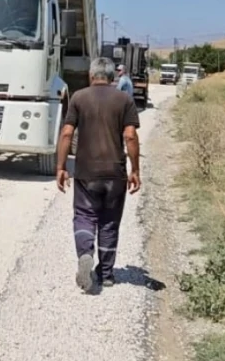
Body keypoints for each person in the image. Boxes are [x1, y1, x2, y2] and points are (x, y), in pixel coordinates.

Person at [55, 57, 141, 291]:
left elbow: (66, 133)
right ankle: (106, 274)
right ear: (113, 77)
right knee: (109, 222)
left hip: (86, 172)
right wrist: (135, 170)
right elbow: (130, 136)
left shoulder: (79, 97)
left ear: (91, 76)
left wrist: (61, 167)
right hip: (115, 173)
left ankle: (85, 253)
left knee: (84, 215)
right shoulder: (124, 100)